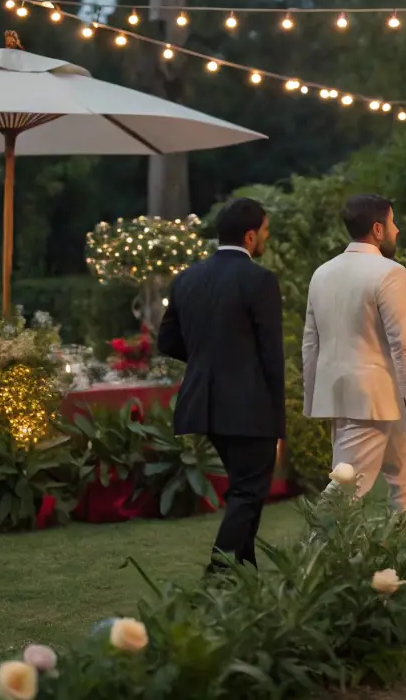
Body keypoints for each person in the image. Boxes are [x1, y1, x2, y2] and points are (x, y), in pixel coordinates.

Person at [158, 196, 285, 573]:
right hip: (249, 406)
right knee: (248, 492)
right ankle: (219, 574)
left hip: (203, 402)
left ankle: (242, 575)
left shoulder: (187, 278)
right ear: (249, 236)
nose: (266, 238)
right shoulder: (260, 280)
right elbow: (270, 355)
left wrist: (206, 360)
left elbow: (167, 341)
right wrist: (279, 424)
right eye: (264, 232)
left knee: (245, 490)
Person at [303, 193, 406, 535]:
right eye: (392, 223)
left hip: (358, 398)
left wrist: (313, 398)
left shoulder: (322, 273)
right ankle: (310, 566)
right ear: (377, 229)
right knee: (345, 491)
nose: (397, 230)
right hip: (373, 400)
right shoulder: (390, 272)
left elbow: (310, 343)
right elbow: (402, 344)